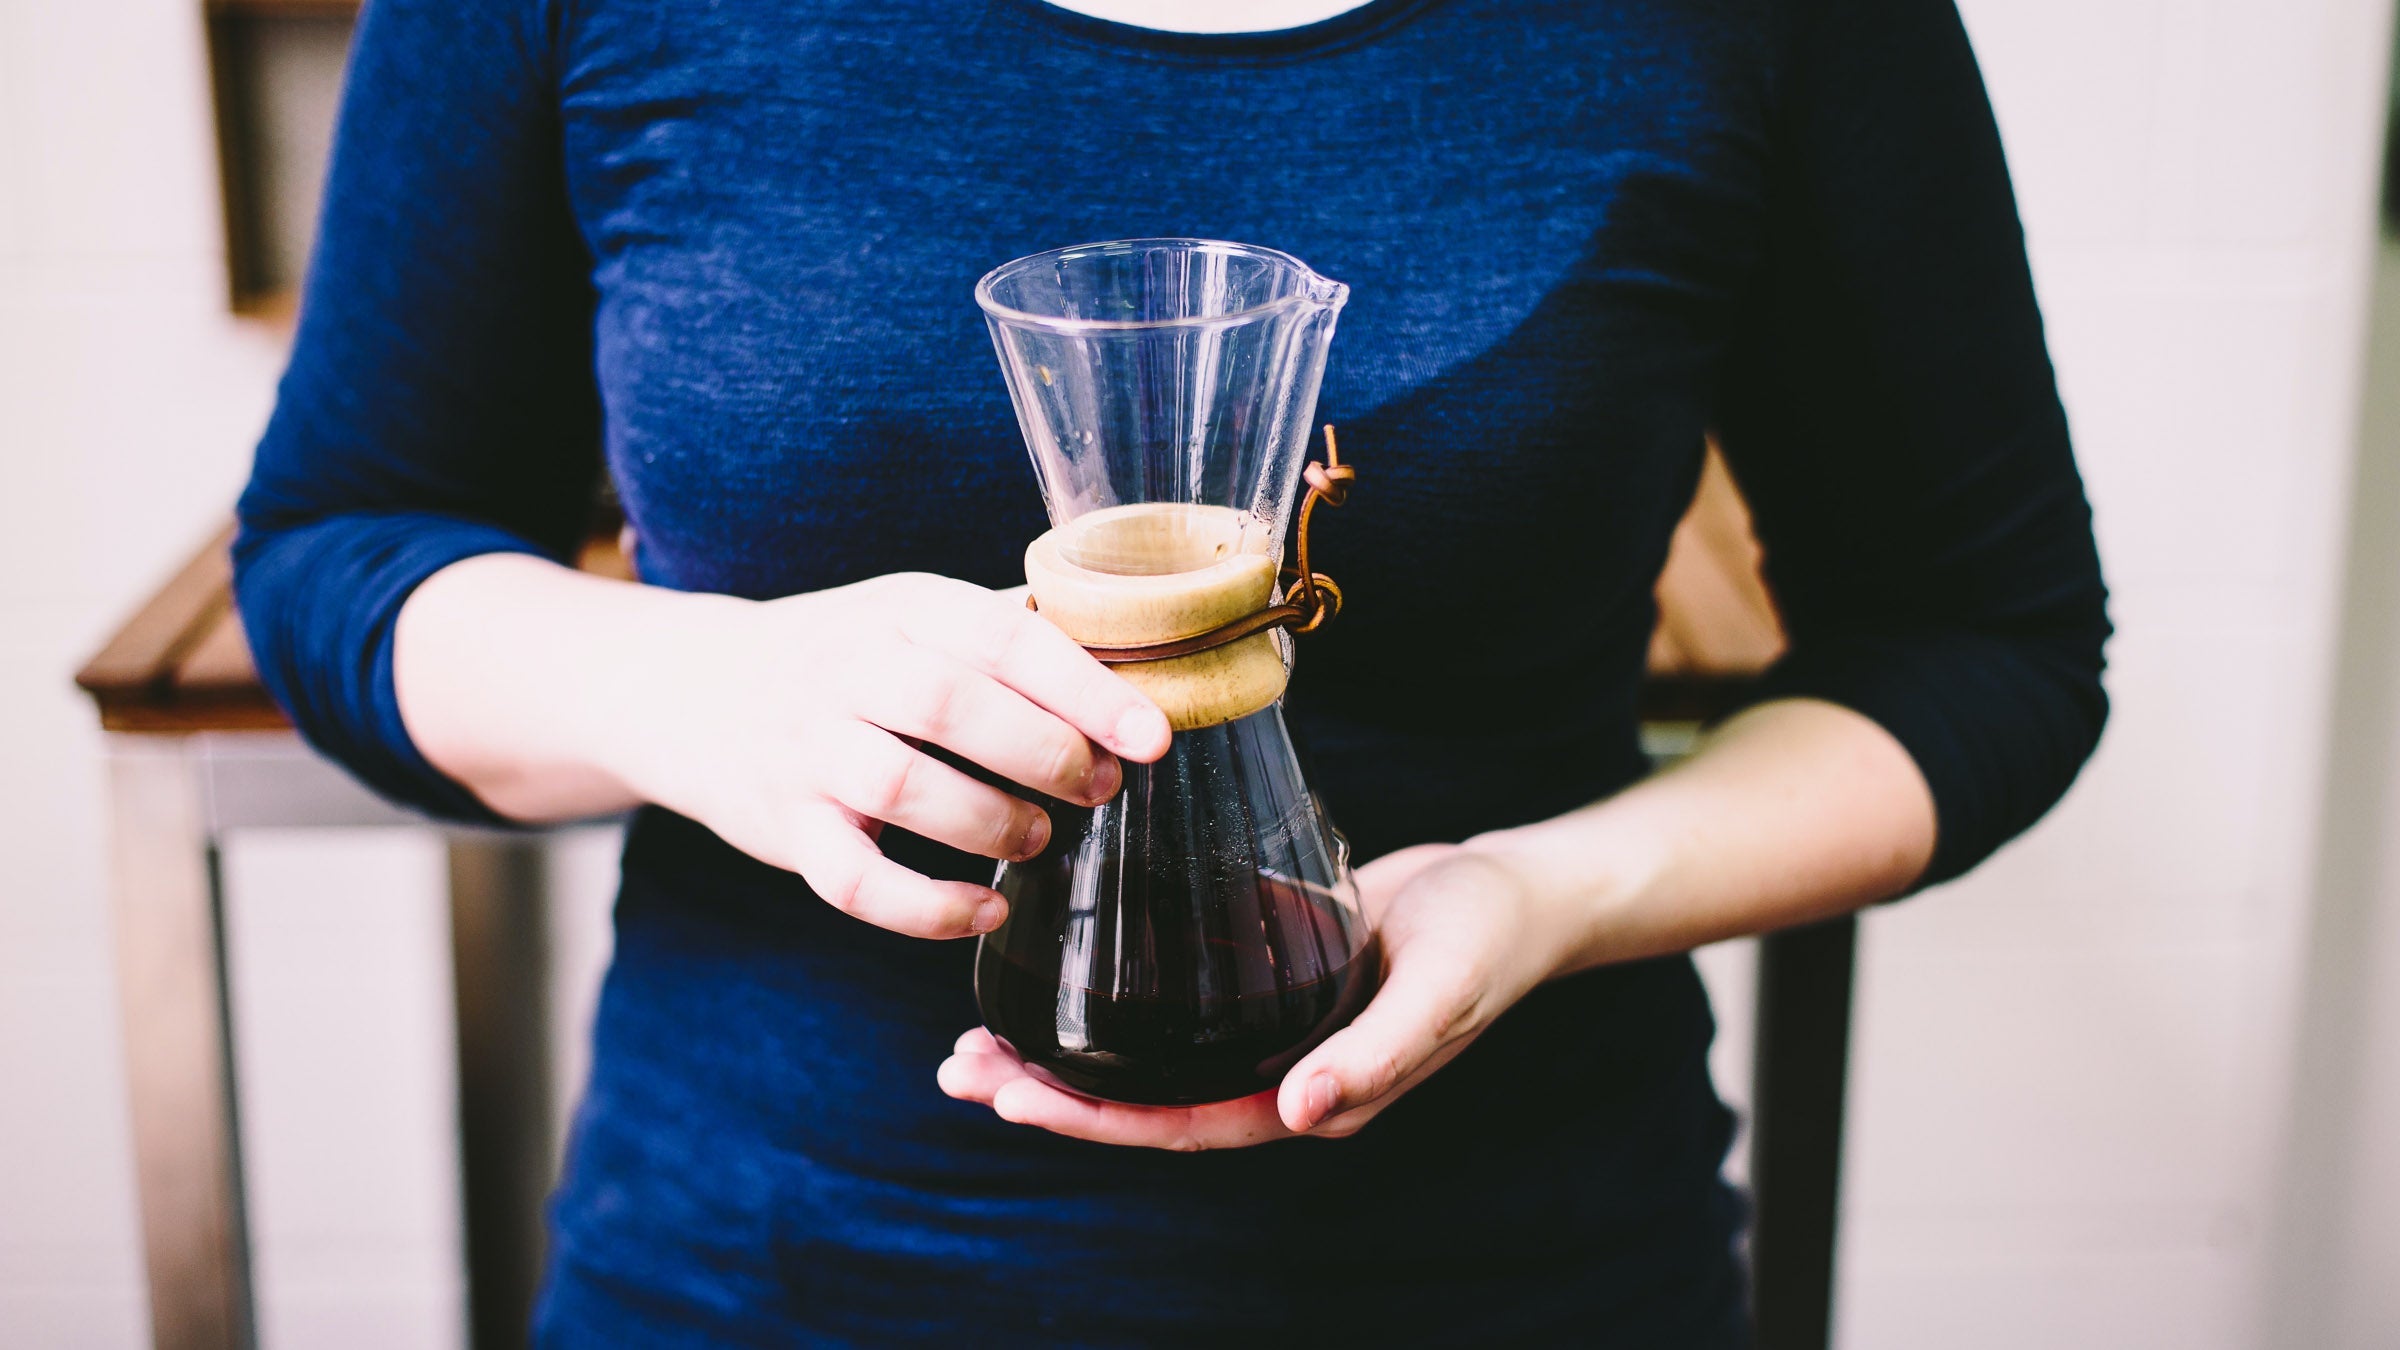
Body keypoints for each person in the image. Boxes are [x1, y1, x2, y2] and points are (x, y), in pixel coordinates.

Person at [232, 0, 2111, 1342]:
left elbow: (1990, 637)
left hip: (1518, 1266)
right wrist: (693, 687)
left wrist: (1544, 891)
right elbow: (337, 545)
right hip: (764, 1268)